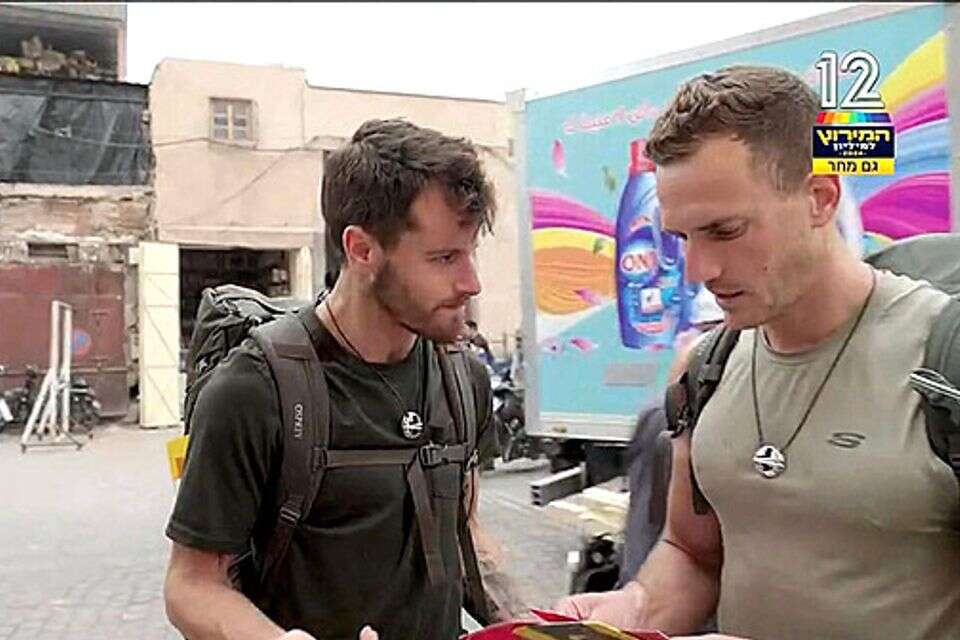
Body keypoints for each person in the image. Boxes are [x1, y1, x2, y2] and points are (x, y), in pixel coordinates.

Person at [557, 65, 960, 639]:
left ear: (820, 198)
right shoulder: (704, 370)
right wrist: (633, 612)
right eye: (682, 237)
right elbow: (692, 553)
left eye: (724, 231)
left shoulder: (942, 362)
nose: (698, 270)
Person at [164, 118, 525, 640]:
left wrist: (534, 624)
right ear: (362, 250)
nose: (471, 283)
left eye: (470, 253)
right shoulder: (255, 390)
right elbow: (191, 585)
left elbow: (462, 529)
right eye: (444, 257)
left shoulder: (462, 380)